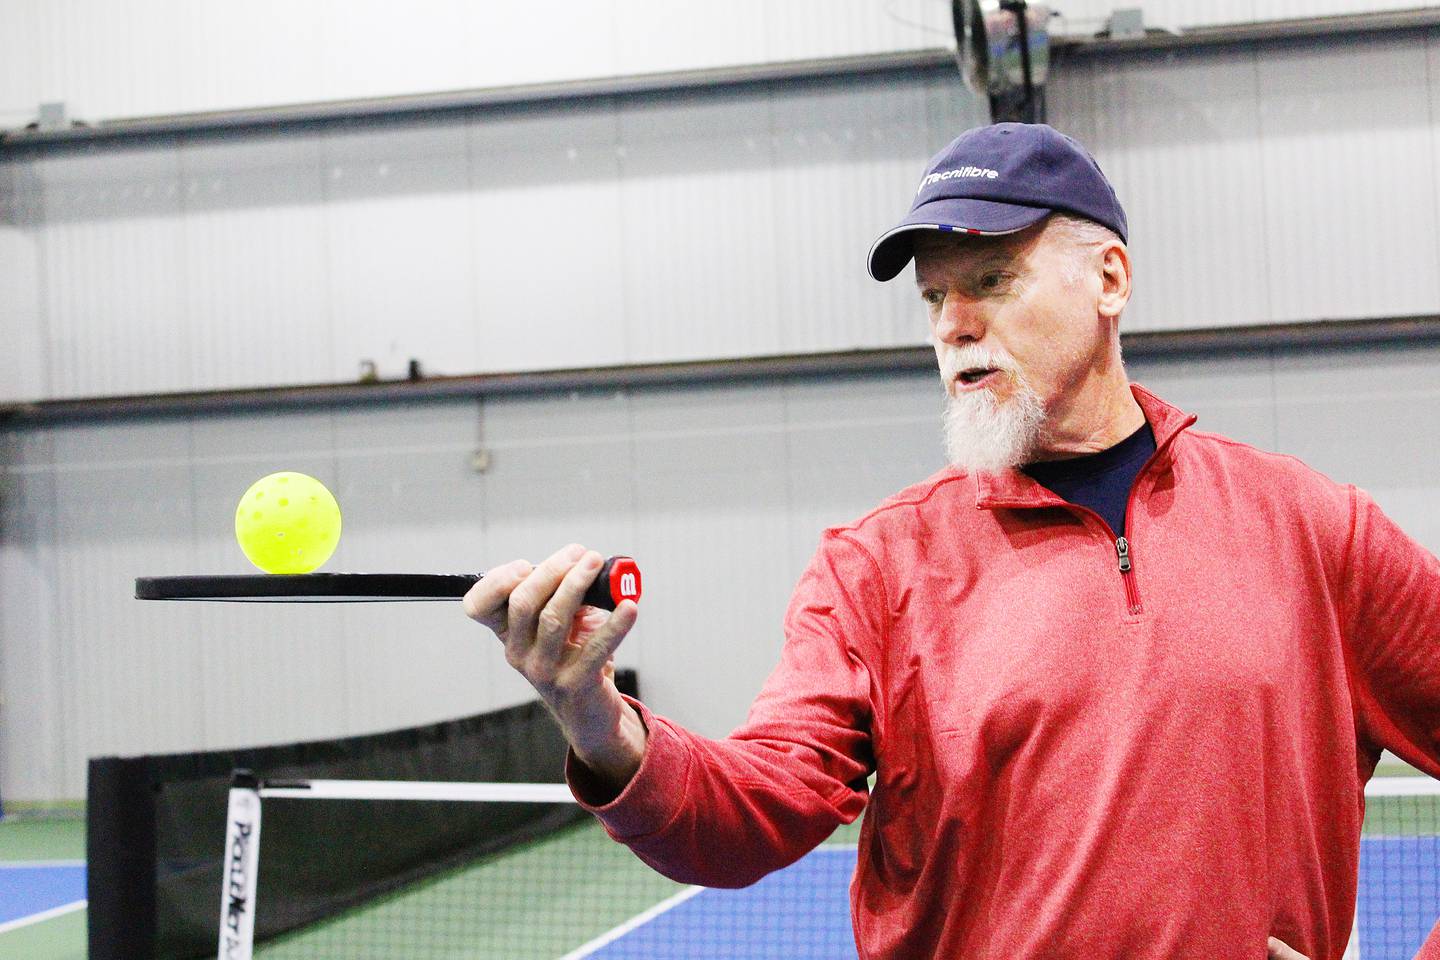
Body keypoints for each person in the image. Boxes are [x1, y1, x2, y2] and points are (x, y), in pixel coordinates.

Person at [464, 123, 1440, 960]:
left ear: (1110, 280)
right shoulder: (878, 568)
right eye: (934, 298)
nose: (955, 324)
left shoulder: (1310, 531)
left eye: (992, 280)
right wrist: (596, 720)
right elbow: (749, 814)